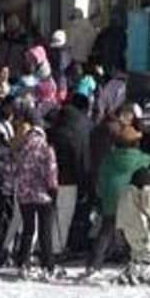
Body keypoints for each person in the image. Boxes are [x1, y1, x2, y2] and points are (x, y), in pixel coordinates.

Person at [87, 104, 148, 272]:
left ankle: (94, 264)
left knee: (105, 231)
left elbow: (102, 177)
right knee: (132, 231)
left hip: (111, 198)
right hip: (129, 199)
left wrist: (101, 194)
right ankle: (133, 262)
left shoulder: (110, 156)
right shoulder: (138, 158)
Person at [5, 103, 58, 277]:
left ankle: (23, 262)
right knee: (45, 231)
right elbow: (50, 170)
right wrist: (53, 188)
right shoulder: (45, 147)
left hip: (24, 193)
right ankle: (48, 265)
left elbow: (12, 168)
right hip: (42, 194)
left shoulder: (19, 145)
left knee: (28, 229)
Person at [48, 93, 94, 255]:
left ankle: (44, 246)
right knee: (64, 214)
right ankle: (57, 248)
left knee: (49, 214)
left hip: (49, 177)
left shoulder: (57, 124)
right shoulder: (85, 127)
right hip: (70, 179)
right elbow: (83, 157)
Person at [115, 163, 150, 285]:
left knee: (136, 248)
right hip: (135, 220)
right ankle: (147, 273)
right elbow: (146, 206)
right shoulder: (148, 186)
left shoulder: (130, 186)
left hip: (124, 218)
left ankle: (133, 272)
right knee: (146, 245)